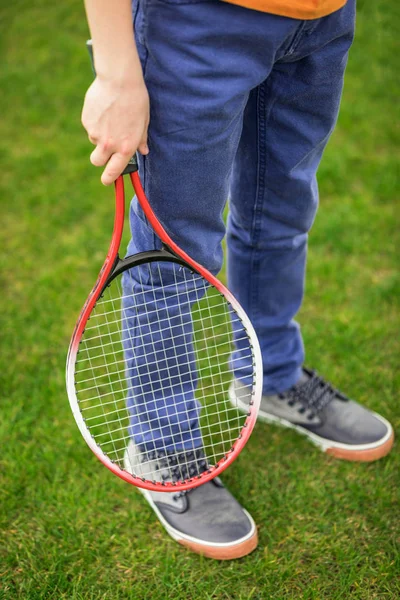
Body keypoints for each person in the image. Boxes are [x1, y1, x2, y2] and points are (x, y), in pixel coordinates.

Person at [81, 0, 394, 560]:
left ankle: (270, 377)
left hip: (323, 20)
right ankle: (163, 449)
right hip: (199, 24)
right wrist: (115, 71)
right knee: (175, 251)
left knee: (280, 213)